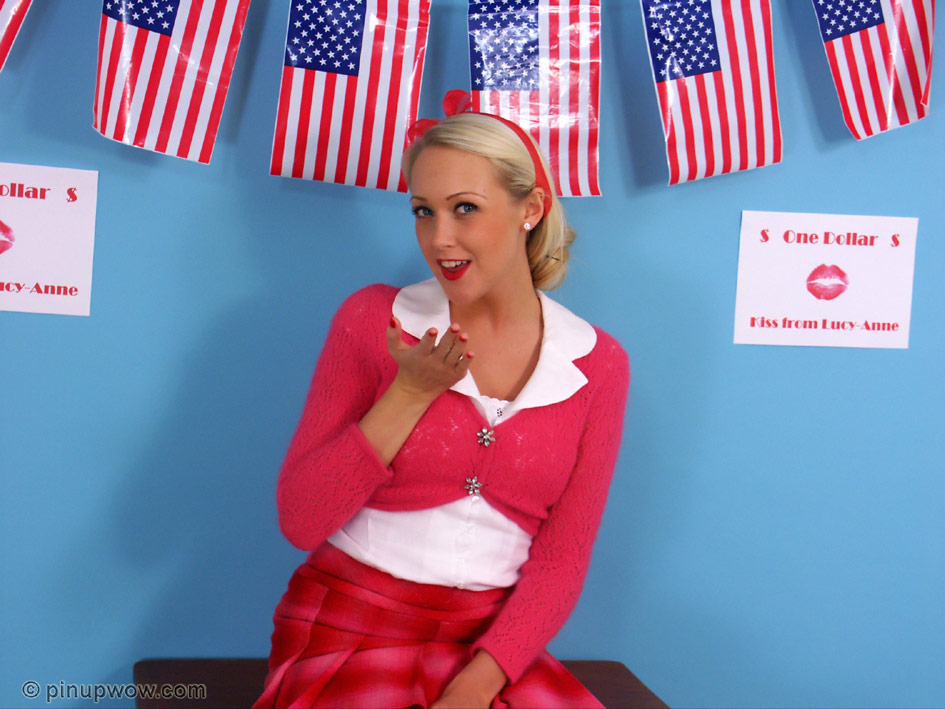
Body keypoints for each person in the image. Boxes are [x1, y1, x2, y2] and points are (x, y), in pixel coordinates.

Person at [253, 105, 630, 709]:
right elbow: (301, 519)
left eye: (465, 208)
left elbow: (563, 559)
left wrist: (480, 683)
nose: (439, 239)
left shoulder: (598, 364)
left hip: (491, 647)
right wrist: (409, 393)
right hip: (350, 625)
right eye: (423, 212)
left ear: (531, 209)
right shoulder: (374, 320)